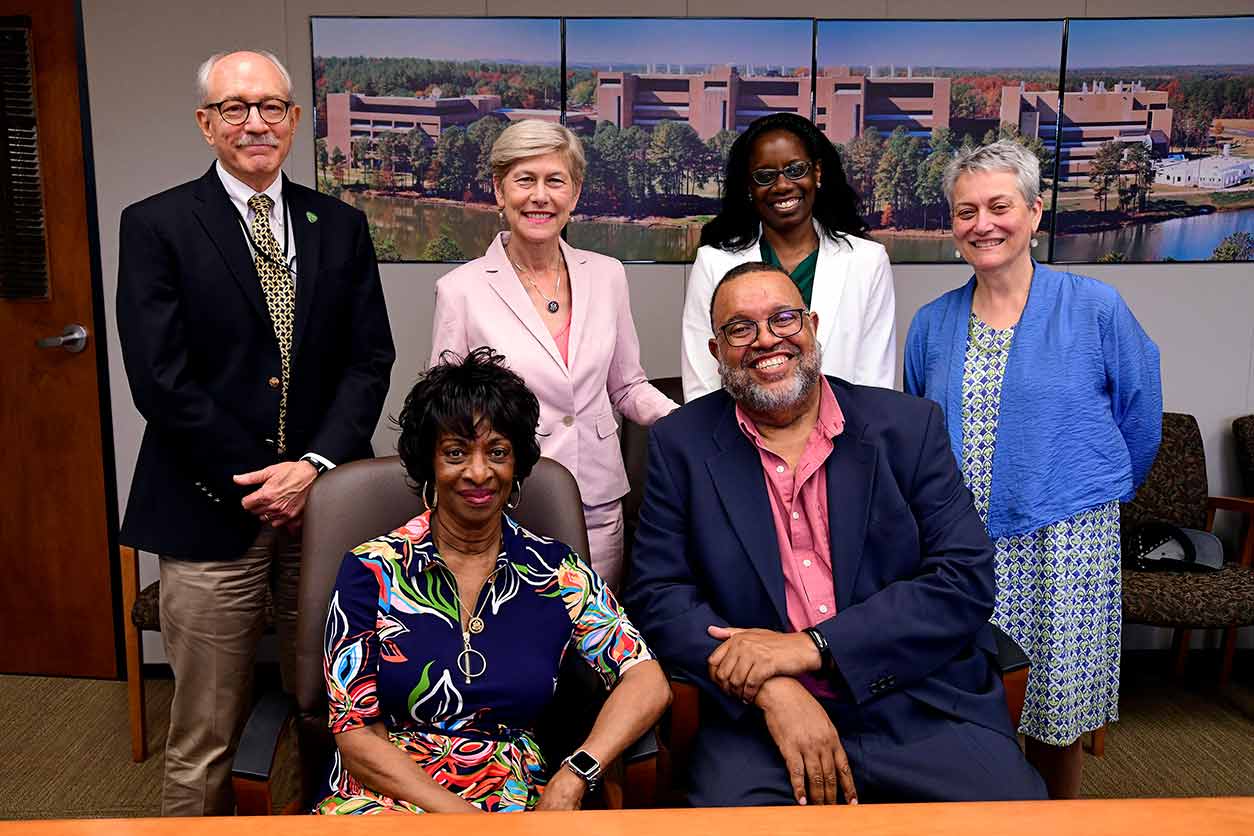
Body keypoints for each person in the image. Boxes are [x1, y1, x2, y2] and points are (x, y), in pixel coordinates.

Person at [625, 262, 1045, 806]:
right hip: (758, 723)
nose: (766, 339)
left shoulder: (907, 427)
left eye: (783, 318)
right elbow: (659, 594)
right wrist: (772, 689)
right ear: (716, 350)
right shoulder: (682, 442)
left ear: (812, 324)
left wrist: (813, 647)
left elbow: (963, 578)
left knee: (1016, 819)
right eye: (740, 328)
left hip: (917, 701)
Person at [115, 49, 395, 815]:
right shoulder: (157, 225)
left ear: (295, 120)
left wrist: (311, 467)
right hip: (209, 508)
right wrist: (264, 479)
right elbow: (161, 381)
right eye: (235, 108)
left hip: (326, 510)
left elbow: (370, 361)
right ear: (207, 124)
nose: (256, 123)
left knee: (346, 704)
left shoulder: (338, 224)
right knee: (206, 728)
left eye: (271, 106)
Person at [904, 140, 1162, 799]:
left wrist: (1090, 489)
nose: (983, 224)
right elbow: (915, 438)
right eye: (966, 211)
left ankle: (1059, 817)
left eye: (999, 206)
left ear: (1034, 212)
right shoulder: (931, 325)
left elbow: (1140, 412)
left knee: (1057, 710)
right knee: (966, 702)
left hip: (1066, 542)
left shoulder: (1094, 306)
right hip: (961, 549)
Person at [319, 347, 669, 814]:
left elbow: (647, 679)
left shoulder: (555, 571)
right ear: (429, 464)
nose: (479, 472)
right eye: (456, 452)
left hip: (513, 797)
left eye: (498, 452)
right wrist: (461, 820)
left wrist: (576, 772)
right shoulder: (371, 569)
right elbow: (355, 732)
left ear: (517, 465)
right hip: (386, 797)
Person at [430, 119, 677, 592]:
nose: (540, 196)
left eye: (555, 180)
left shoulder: (608, 275)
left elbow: (626, 386)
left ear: (575, 193)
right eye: (525, 180)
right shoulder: (460, 290)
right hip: (507, 503)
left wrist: (692, 422)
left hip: (598, 504)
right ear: (499, 191)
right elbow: (448, 413)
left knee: (596, 643)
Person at [680, 113, 896, 403]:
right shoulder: (714, 262)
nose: (782, 185)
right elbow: (702, 383)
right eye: (765, 176)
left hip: (846, 438)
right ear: (748, 186)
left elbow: (875, 386)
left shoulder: (868, 261)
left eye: (795, 170)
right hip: (738, 440)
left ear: (817, 173)